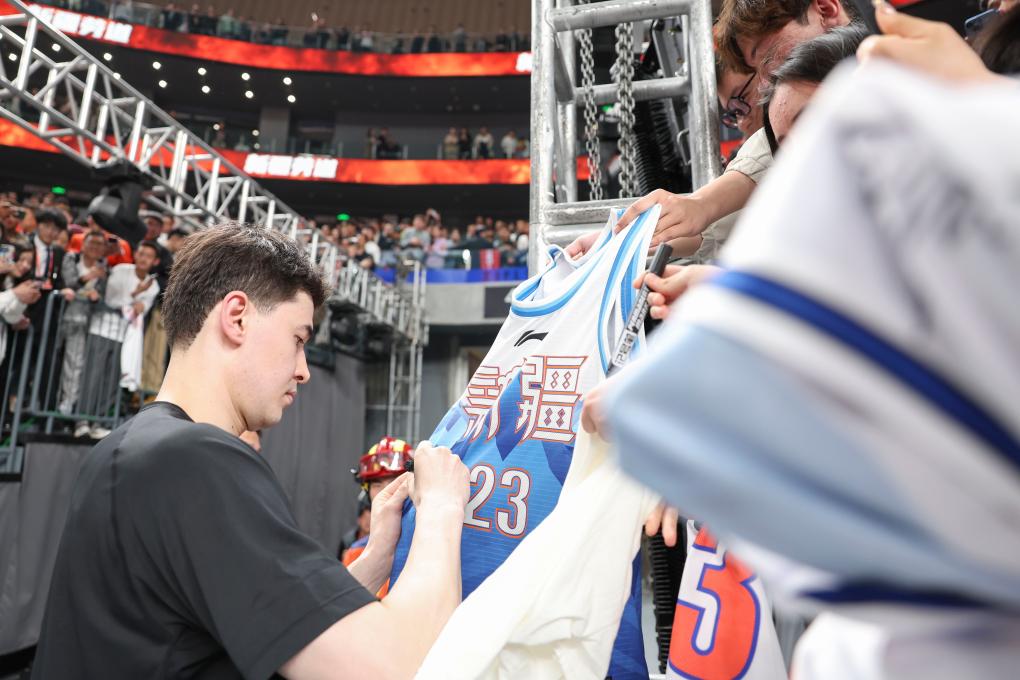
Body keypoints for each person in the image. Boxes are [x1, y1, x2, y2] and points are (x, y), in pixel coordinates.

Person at [33, 224, 470, 680]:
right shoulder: (194, 459)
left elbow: (282, 624)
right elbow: (391, 668)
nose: (303, 370)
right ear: (237, 317)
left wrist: (378, 554)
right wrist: (442, 506)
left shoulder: (125, 450)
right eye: (298, 340)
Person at [57, 230, 107, 428]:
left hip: (83, 321)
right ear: (83, 244)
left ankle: (67, 406)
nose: (95, 247)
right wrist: (88, 277)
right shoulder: (72, 258)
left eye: (100, 244)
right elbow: (69, 282)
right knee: (53, 362)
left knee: (75, 365)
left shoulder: (103, 268)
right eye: (92, 243)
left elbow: (102, 295)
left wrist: (97, 296)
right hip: (60, 317)